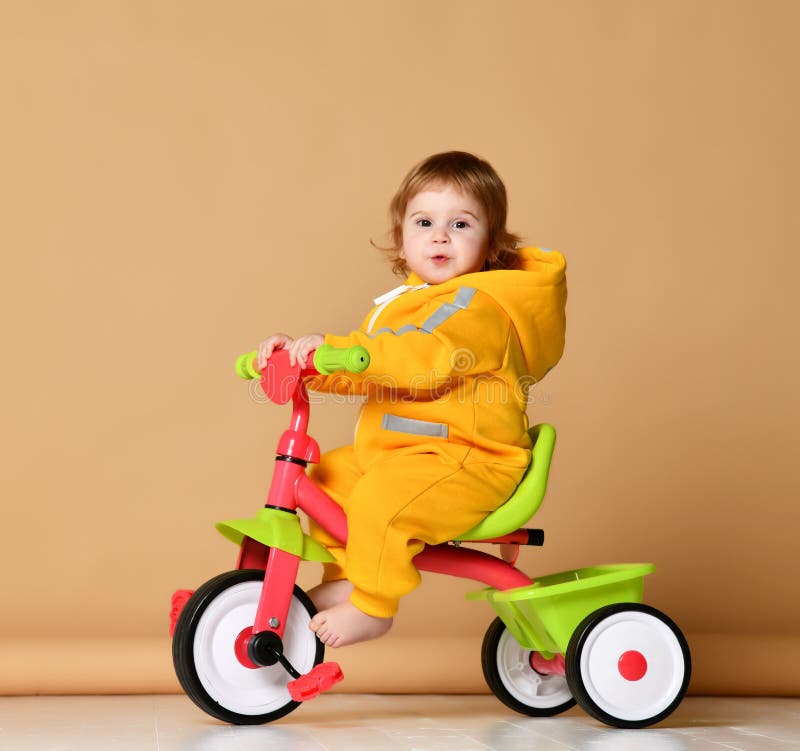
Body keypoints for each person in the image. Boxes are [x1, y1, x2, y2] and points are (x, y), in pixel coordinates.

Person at [257, 151, 567, 648]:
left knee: (382, 502)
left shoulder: (476, 307)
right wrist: (306, 360)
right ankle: (350, 575)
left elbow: (422, 358)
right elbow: (369, 370)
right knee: (328, 478)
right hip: (406, 456)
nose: (440, 236)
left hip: (468, 459)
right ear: (402, 236)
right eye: (425, 222)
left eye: (461, 224)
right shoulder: (404, 305)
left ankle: (374, 605)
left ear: (491, 244)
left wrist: (345, 351)